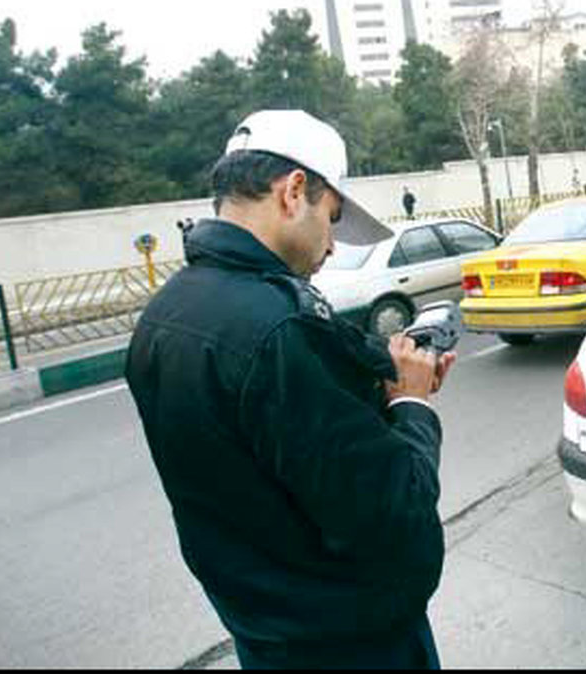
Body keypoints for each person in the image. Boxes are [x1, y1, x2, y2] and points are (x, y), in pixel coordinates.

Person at [125, 110, 456, 669]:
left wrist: (367, 388)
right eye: (330, 220)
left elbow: (267, 454)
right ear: (294, 191)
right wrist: (410, 405)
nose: (331, 247)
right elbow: (395, 512)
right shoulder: (281, 331)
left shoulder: (163, 316)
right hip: (353, 643)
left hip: (265, 634)